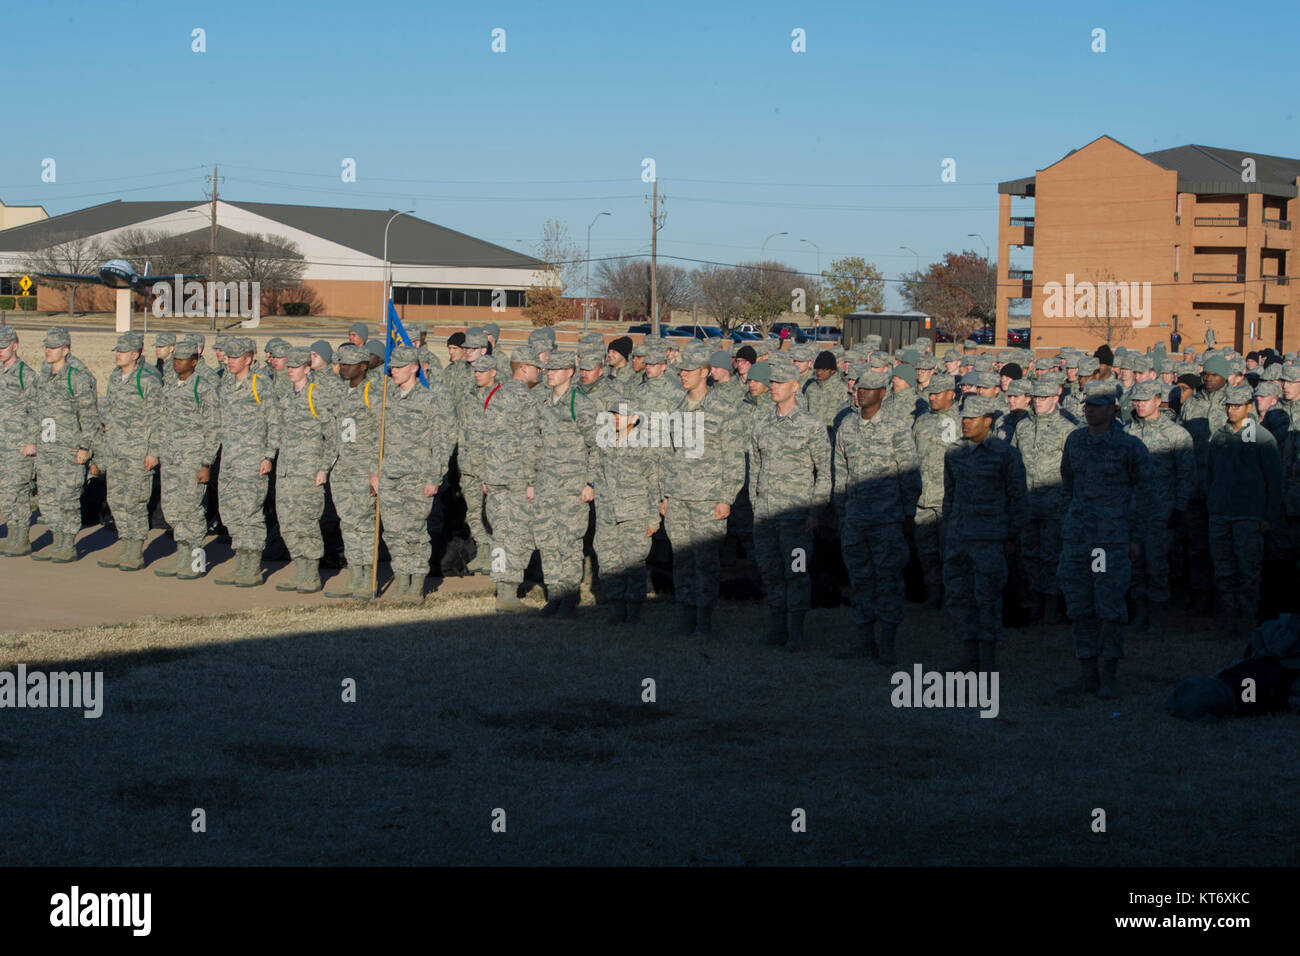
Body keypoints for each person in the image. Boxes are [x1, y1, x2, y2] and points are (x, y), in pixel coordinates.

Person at [1057, 381, 1150, 699]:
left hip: (1111, 541)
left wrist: (1134, 537)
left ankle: (1109, 674)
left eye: (1097, 404)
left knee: (1109, 608)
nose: (1089, 409)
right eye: (1087, 404)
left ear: (1113, 409)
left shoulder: (1129, 447)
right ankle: (1087, 672)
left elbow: (1143, 495)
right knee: (1079, 606)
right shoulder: (1076, 440)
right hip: (1079, 537)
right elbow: (1067, 483)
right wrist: (1067, 525)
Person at [833, 369, 920, 663]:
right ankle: (864, 641)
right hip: (856, 519)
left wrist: (907, 515)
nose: (860, 393)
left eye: (868, 390)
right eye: (858, 389)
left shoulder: (896, 428)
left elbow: (909, 474)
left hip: (887, 520)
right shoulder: (846, 426)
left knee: (888, 581)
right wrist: (842, 512)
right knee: (860, 580)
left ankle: (887, 645)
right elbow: (841, 473)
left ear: (882, 393)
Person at [661, 342, 745, 637]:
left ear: (705, 372)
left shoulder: (724, 410)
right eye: (680, 369)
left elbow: (734, 458)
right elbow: (668, 454)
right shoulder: (677, 409)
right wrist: (666, 495)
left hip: (708, 499)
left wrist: (726, 498)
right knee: (682, 560)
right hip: (679, 497)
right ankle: (686, 616)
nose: (682, 374)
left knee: (706, 561)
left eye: (688, 370)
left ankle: (704, 620)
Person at [942, 395, 1029, 673]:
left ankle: (988, 662)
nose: (965, 423)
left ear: (988, 421)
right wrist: (947, 529)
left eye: (972, 418)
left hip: (990, 539)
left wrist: (1011, 537)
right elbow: (950, 495)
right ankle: (968, 656)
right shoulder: (954, 452)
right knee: (959, 596)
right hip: (959, 537)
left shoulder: (1005, 454)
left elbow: (1018, 498)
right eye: (963, 417)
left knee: (987, 599)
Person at [750, 359, 832, 649]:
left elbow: (824, 472)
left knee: (796, 571)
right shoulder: (761, 423)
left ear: (795, 386)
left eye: (780, 382)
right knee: (770, 570)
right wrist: (755, 504)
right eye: (771, 382)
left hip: (797, 518)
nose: (773, 387)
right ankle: (776, 627)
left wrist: (815, 511)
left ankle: (796, 631)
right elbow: (756, 468)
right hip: (766, 513)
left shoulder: (811, 425)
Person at [1207, 384, 1283, 637]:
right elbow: (1210, 473)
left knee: (1248, 570)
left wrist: (1267, 516)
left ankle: (1249, 620)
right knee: (1223, 569)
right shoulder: (1219, 436)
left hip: (1248, 516)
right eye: (1228, 405)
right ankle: (1228, 620)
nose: (1231, 410)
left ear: (1249, 407)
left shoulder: (1263, 439)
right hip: (1220, 514)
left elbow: (1274, 481)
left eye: (1237, 405)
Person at [379, 346, 452, 604]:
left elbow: (442, 442)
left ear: (414, 367)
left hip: (417, 477)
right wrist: (373, 472)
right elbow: (376, 440)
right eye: (392, 367)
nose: (395, 371)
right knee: (393, 532)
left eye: (400, 366)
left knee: (415, 532)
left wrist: (434, 477)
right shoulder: (387, 399)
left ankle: (416, 584)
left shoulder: (429, 400)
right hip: (389, 476)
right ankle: (401, 580)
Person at [1124, 380, 1195, 634]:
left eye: (1145, 400)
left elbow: (1187, 475)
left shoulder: (1176, 434)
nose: (1139, 405)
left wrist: (1179, 507)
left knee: (1157, 565)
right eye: (1136, 400)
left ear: (1158, 400)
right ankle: (1139, 614)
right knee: (1134, 564)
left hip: (1161, 512)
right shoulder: (1127, 432)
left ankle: (1157, 618)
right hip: (1132, 512)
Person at [534, 352, 600, 618]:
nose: (550, 373)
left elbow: (596, 446)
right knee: (547, 540)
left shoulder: (581, 405)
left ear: (570, 371)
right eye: (548, 369)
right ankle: (554, 594)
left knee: (569, 542)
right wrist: (532, 481)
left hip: (572, 486)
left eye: (556, 369)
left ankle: (569, 596)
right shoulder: (544, 403)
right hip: (546, 484)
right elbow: (536, 444)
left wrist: (590, 482)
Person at [268, 348, 338, 594]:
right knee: (287, 523)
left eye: (296, 367)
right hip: (286, 471)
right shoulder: (286, 397)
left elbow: (332, 436)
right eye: (289, 366)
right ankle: (300, 570)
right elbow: (278, 432)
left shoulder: (317, 396)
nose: (291, 371)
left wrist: (323, 468)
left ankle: (311, 575)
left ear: (307, 369)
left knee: (306, 523)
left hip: (308, 471)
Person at [31, 328, 100, 563]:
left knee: (67, 495)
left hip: (68, 447)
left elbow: (89, 416)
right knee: (48, 496)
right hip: (47, 447)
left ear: (66, 349)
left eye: (54, 347)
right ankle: (56, 540)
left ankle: (68, 544)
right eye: (47, 346)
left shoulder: (76, 377)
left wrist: (84, 447)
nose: (48, 350)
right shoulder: (45, 374)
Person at [96, 332, 163, 572]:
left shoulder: (148, 379)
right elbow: (111, 413)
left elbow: (158, 419)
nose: (118, 355)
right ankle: (125, 545)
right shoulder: (115, 377)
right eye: (117, 351)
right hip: (116, 450)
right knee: (116, 499)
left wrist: (153, 451)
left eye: (122, 352)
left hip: (138, 452)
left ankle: (135, 551)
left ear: (135, 354)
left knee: (135, 500)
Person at [152, 341, 220, 579]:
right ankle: (182, 557)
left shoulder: (203, 388)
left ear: (194, 361)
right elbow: (162, 422)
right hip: (171, 459)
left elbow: (213, 427)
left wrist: (206, 462)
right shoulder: (170, 386)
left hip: (192, 460)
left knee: (191, 510)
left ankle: (195, 562)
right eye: (175, 359)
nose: (176, 362)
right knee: (173, 509)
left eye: (182, 359)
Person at [482, 345, 542, 612]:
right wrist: (532, 480)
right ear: (524, 368)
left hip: (495, 475)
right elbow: (530, 443)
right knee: (518, 534)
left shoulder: (497, 394)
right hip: (518, 477)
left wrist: (486, 473)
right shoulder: (527, 399)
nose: (540, 372)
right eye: (537, 367)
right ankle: (508, 593)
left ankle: (500, 588)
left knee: (500, 533)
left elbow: (486, 438)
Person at [214, 338, 276, 589]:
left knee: (250, 512)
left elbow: (273, 422)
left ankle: (252, 567)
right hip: (230, 458)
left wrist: (268, 455)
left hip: (252, 459)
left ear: (249, 359)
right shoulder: (226, 385)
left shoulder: (260, 385)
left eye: (235, 356)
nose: (230, 360)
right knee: (231, 511)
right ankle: (240, 562)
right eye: (228, 356)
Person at [593, 403, 660, 625]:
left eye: (621, 415)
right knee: (609, 562)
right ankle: (616, 608)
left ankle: (633, 612)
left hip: (635, 514)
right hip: (607, 514)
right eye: (614, 415)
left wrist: (653, 517)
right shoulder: (606, 444)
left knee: (633, 564)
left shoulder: (644, 445)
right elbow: (599, 477)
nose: (616, 419)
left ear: (634, 418)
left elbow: (654, 483)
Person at [911, 373, 961, 608]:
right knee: (926, 550)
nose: (932, 397)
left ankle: (952, 597)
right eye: (930, 393)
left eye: (938, 393)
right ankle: (932, 595)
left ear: (951, 394)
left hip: (946, 500)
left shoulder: (961, 422)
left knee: (949, 552)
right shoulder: (921, 421)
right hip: (922, 498)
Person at [0, 328, 37, 556]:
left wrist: (31, 441)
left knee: (18, 489)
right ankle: (12, 534)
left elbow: (35, 410)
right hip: (2, 443)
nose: (0, 351)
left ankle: (21, 537)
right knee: (5, 491)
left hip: (19, 443)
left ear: (15, 345)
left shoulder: (26, 374)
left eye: (4, 346)